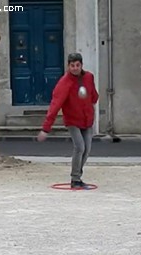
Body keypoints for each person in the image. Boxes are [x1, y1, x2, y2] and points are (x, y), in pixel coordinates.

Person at [37, 52, 99, 188]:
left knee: (87, 149)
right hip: (72, 120)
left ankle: (78, 175)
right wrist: (45, 128)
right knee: (79, 147)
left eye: (77, 65)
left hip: (87, 120)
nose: (75, 68)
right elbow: (55, 105)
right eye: (72, 66)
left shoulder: (89, 77)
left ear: (81, 65)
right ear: (68, 66)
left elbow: (94, 96)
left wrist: (90, 101)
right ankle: (75, 179)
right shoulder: (64, 83)